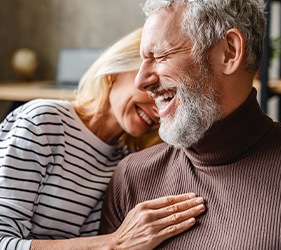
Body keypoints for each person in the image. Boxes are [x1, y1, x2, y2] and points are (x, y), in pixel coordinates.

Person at [100, 0, 281, 249]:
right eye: (143, 60)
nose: (141, 81)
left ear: (229, 52)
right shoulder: (132, 177)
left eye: (160, 56)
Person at [0, 28, 206, 250]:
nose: (159, 111)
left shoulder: (126, 159)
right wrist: (114, 243)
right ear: (116, 70)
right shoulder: (43, 122)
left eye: (169, 98)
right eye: (153, 89)